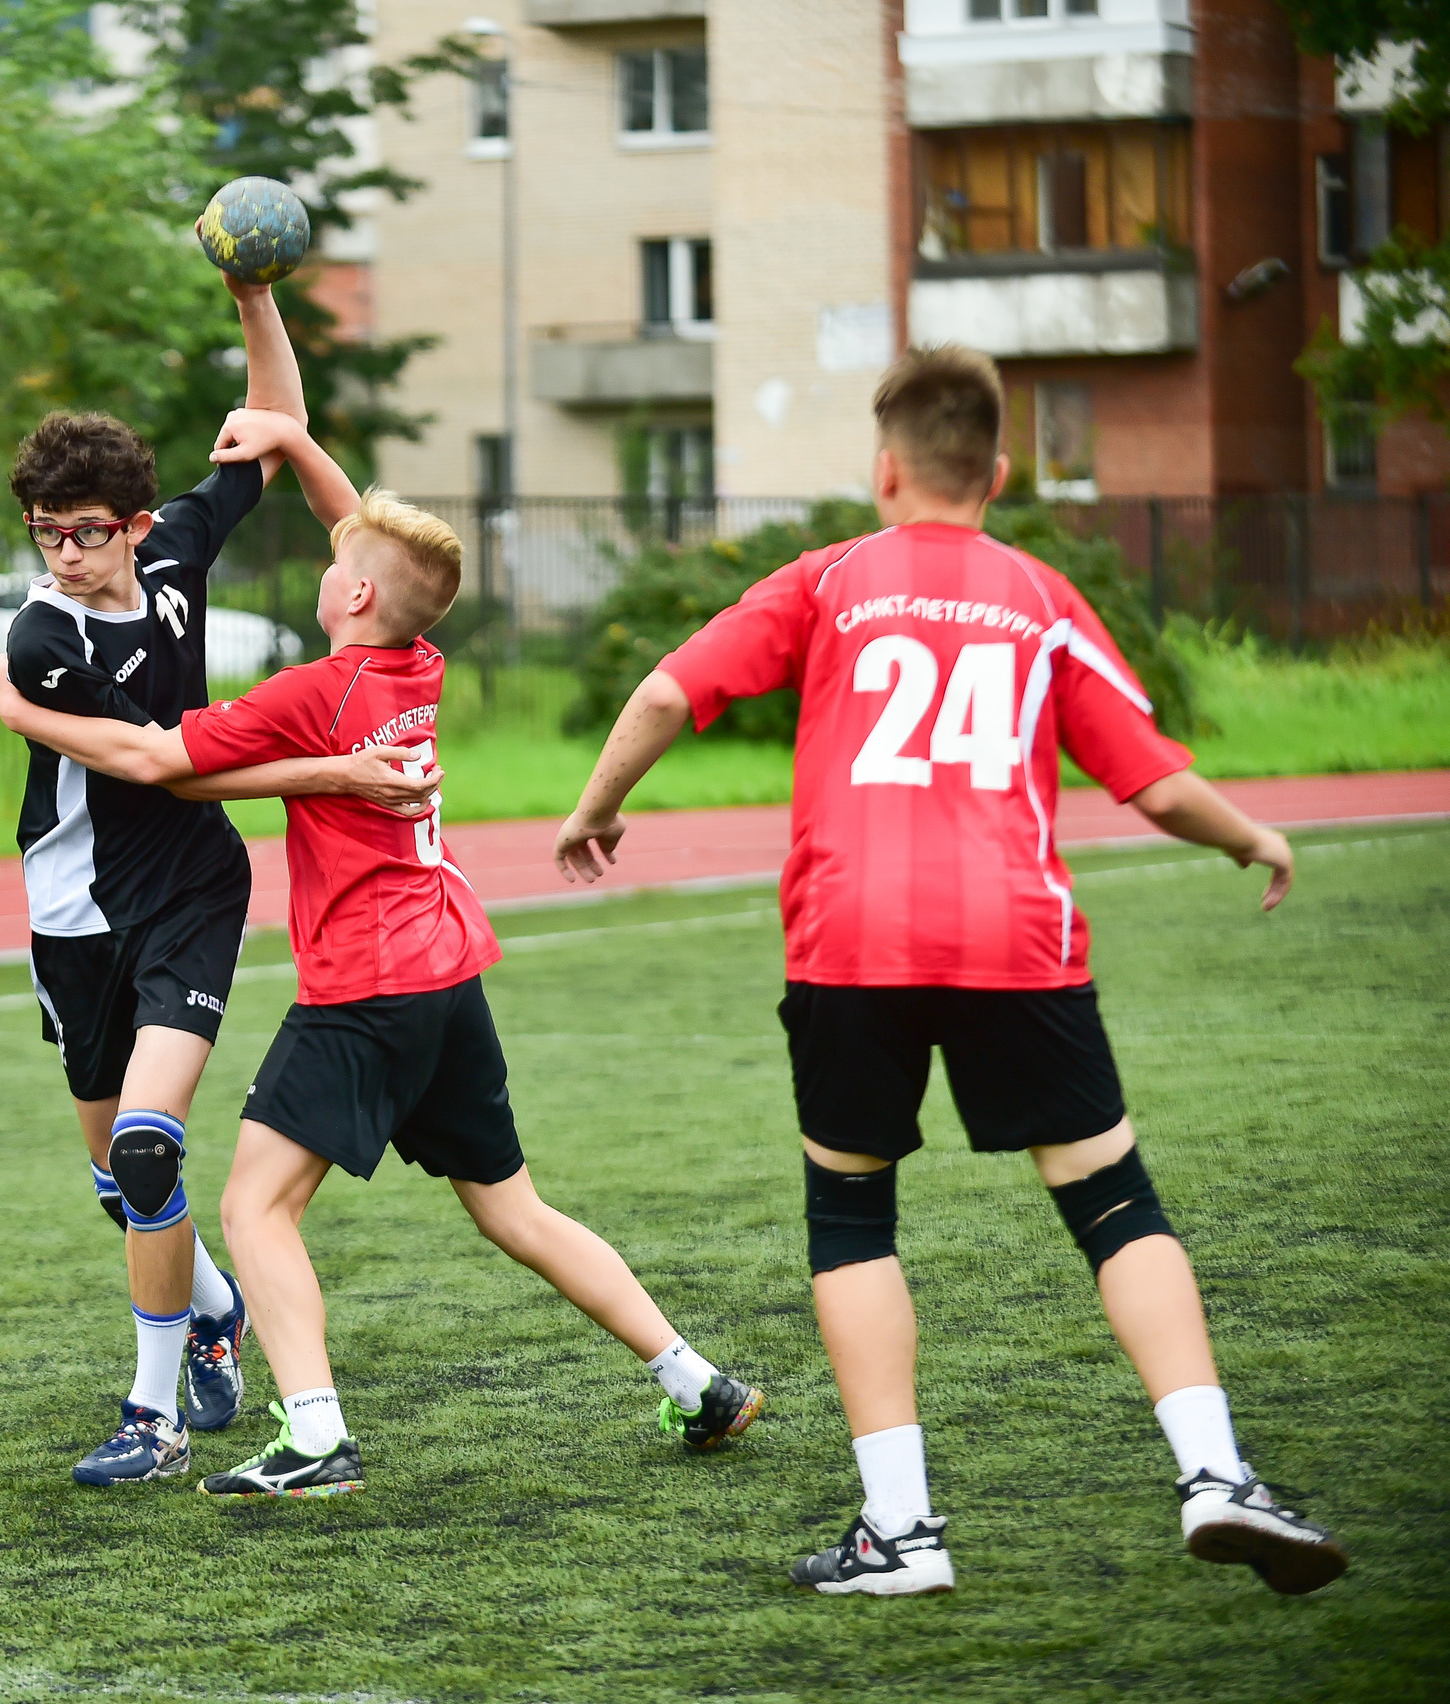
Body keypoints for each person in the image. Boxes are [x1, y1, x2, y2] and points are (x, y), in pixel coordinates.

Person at [553, 344, 1348, 1598]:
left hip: (848, 941)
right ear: (999, 472)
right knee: (1113, 1203)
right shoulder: (1039, 595)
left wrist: (593, 807)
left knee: (853, 1214)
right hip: (1013, 940)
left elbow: (663, 690)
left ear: (883, 470)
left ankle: (902, 1532)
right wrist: (1249, 832)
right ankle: (1213, 1474)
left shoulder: (828, 580)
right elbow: (1148, 778)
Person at [0, 473, 763, 1500]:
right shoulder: (419, 663)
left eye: (334, 565)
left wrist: (23, 712)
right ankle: (696, 1379)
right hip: (449, 968)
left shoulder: (313, 696)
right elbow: (388, 560)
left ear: (354, 594)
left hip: (365, 985)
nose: (324, 566)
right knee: (513, 1210)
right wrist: (295, 445)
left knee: (253, 1209)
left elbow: (156, 761)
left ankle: (314, 1435)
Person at [0, 277, 442, 1489]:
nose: (65, 550)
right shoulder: (41, 640)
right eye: (45, 528)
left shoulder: (180, 549)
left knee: (148, 1151)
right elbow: (157, 767)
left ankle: (152, 1419)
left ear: (139, 521)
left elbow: (267, 418)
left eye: (86, 527)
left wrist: (253, 295)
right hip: (72, 910)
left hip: (191, 894)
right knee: (116, 1182)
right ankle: (212, 1312)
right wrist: (338, 771)